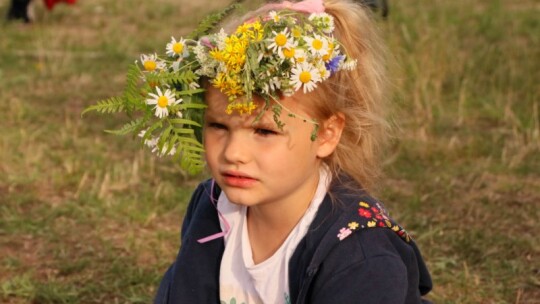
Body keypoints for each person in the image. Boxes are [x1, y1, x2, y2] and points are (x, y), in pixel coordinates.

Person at [85, 0, 432, 302]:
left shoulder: (359, 254)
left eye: (264, 131)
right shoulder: (210, 205)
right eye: (218, 126)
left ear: (326, 135)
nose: (234, 152)